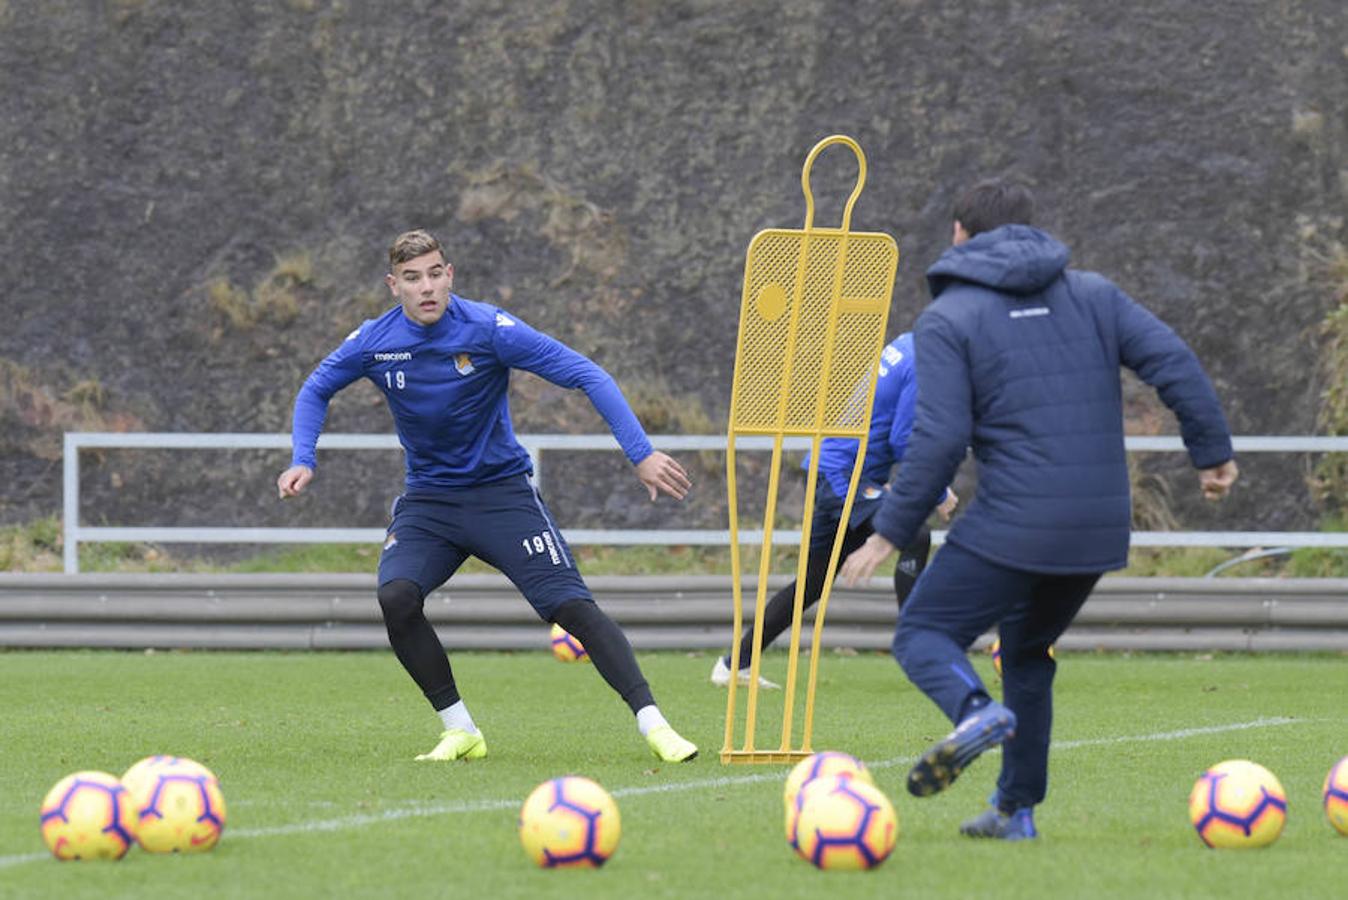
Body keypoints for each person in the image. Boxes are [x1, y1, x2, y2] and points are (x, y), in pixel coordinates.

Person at [839, 180, 1238, 840]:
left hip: (1016, 520)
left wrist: (887, 531)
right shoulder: (1095, 295)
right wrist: (1211, 452)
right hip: (1098, 525)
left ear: (960, 234)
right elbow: (1172, 359)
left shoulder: (947, 318)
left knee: (922, 634)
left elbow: (939, 438)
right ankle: (1013, 811)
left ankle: (973, 712)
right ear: (1029, 228)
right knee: (1025, 654)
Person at [277, 229, 700, 764]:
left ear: (449, 275)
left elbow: (586, 374)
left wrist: (640, 453)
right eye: (412, 278)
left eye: (435, 274)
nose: (426, 287)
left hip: (502, 497)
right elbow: (316, 388)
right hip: (430, 503)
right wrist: (303, 457)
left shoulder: (488, 329)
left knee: (570, 607)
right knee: (396, 597)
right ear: (393, 285)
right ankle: (460, 730)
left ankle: (655, 725)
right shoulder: (374, 341)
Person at [710, 331, 958, 689]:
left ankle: (734, 665)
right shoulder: (924, 362)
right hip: (843, 475)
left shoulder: (908, 344)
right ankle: (918, 649)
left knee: (812, 583)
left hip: (833, 470)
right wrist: (938, 490)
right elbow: (903, 441)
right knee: (914, 532)